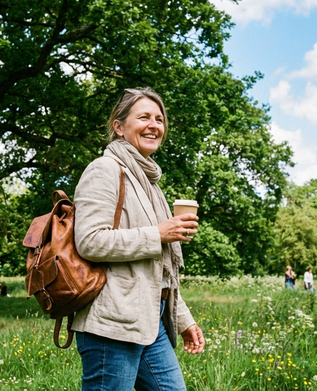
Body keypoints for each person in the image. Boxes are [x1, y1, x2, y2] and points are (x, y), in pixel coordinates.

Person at [72, 88, 205, 391]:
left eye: (159, 119)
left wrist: (183, 319)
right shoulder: (104, 169)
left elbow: (157, 269)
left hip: (150, 321)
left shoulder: (149, 182)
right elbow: (90, 241)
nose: (154, 125)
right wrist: (158, 234)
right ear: (118, 127)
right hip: (112, 322)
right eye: (143, 116)